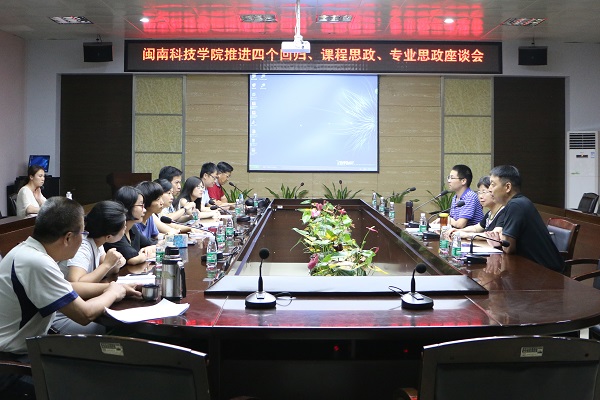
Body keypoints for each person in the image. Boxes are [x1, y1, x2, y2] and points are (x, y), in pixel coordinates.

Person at [0, 197, 133, 395]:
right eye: (83, 233)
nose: (84, 238)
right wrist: (113, 292)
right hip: (12, 367)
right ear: (68, 237)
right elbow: (84, 314)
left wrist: (114, 287)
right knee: (103, 382)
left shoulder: (28, 252)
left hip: (25, 352)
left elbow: (69, 289)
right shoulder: (37, 262)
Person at [53, 200, 137, 334]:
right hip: (63, 316)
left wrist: (114, 263)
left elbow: (106, 268)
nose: (126, 229)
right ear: (109, 236)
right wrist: (108, 265)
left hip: (80, 306)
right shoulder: (82, 246)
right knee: (121, 329)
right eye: (124, 226)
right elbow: (76, 283)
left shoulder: (96, 241)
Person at [485, 165, 565, 273]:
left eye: (493, 184)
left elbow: (508, 248)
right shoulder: (518, 202)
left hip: (547, 273)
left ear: (507, 187)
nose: (489, 189)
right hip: (534, 269)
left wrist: (498, 242)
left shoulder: (516, 205)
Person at [104, 186, 155, 265]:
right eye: (141, 205)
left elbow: (152, 244)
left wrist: (149, 248)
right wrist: (149, 255)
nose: (144, 210)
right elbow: (133, 259)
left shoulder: (132, 227)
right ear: (128, 206)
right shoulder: (115, 230)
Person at [446, 164, 484, 228]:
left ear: (463, 181)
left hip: (473, 233)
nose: (449, 181)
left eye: (452, 178)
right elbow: (453, 221)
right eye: (448, 177)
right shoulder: (455, 197)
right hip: (459, 233)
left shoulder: (470, 197)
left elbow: (460, 225)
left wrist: (446, 219)